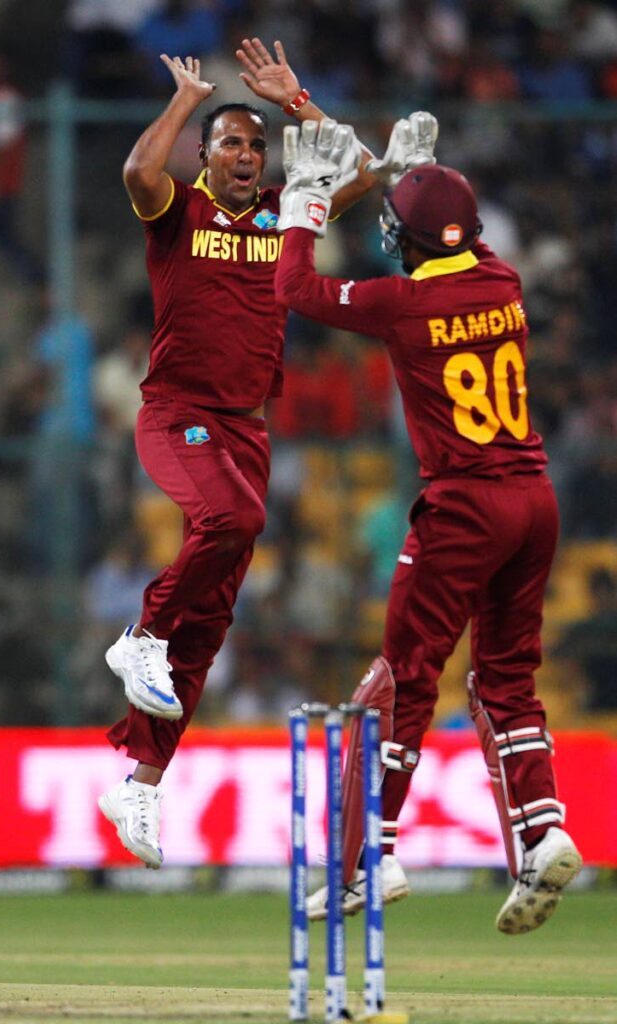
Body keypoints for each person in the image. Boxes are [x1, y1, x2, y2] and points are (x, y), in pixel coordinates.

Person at [97, 38, 415, 869]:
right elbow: (137, 175)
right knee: (233, 518)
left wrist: (298, 102)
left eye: (253, 144)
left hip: (246, 424)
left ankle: (140, 778)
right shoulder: (179, 211)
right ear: (205, 156)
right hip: (176, 415)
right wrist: (185, 103)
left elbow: (362, 174)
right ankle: (140, 633)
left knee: (210, 621)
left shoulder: (283, 216)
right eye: (229, 143)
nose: (244, 154)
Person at [273, 119, 583, 934]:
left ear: (409, 244)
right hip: (533, 503)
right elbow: (457, 241)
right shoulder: (503, 281)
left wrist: (305, 202)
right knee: (504, 682)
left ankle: (366, 858)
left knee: (403, 677)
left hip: (463, 507)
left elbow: (295, 293)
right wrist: (419, 175)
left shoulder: (401, 303)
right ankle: (541, 829)